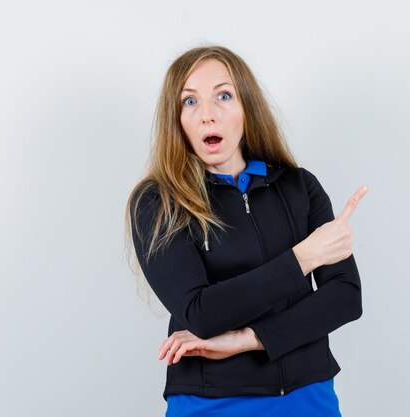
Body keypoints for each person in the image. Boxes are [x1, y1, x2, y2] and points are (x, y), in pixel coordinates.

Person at [126, 45, 368, 417]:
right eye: (190, 102)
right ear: (176, 119)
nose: (208, 115)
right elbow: (200, 313)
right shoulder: (158, 201)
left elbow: (345, 297)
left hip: (308, 394)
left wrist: (248, 339)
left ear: (246, 108)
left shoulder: (299, 186)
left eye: (224, 96)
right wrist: (304, 257)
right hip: (211, 402)